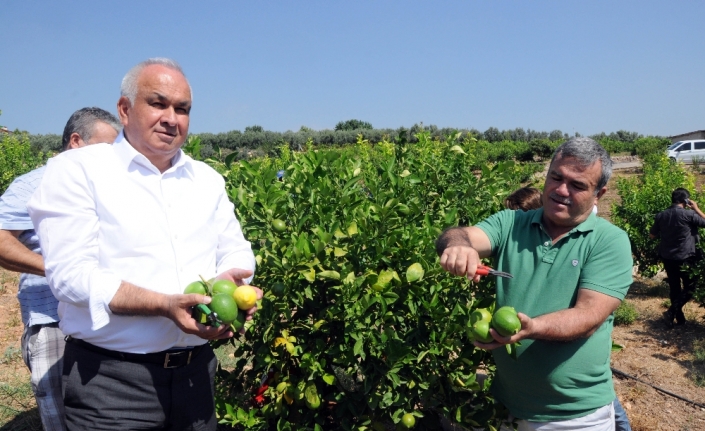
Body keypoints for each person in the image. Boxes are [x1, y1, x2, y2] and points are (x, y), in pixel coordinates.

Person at [27, 58, 262, 430]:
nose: (172, 118)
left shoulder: (206, 179)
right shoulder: (79, 171)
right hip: (111, 384)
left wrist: (234, 285)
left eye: (182, 109)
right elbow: (71, 276)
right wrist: (164, 305)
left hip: (195, 378)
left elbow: (235, 249)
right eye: (158, 103)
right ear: (124, 109)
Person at [436, 137, 633, 430]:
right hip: (509, 406)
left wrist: (531, 329)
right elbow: (459, 234)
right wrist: (458, 246)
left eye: (577, 185)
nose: (561, 190)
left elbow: (588, 316)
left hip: (574, 416)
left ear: (599, 193)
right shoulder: (511, 223)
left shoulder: (609, 241)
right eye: (556, 177)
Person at [0, 107, 120, 431]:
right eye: (107, 148)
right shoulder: (35, 184)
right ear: (77, 142)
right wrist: (56, 269)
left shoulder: (107, 188)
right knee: (59, 411)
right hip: (51, 319)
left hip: (100, 317)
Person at [504, 184, 631, 430]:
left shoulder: (599, 238)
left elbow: (588, 314)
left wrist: (534, 327)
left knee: (611, 406)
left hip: (577, 398)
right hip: (525, 400)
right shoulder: (524, 244)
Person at [650, 188, 705, 327]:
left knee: (674, 288)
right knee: (690, 288)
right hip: (686, 257)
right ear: (686, 201)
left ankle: (678, 320)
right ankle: (671, 312)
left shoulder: (661, 215)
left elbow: (652, 235)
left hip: (668, 256)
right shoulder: (689, 215)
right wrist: (697, 208)